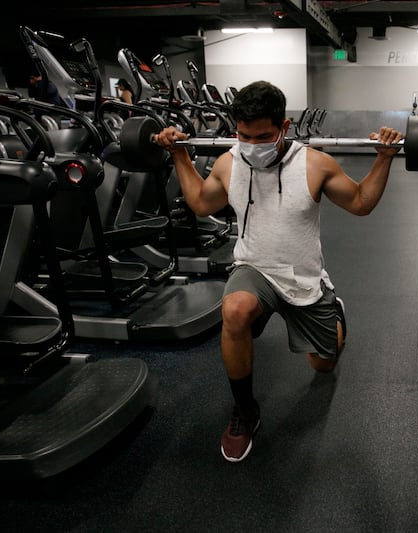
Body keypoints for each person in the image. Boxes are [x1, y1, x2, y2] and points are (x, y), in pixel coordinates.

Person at [152, 80, 404, 462]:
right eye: (243, 135)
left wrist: (384, 158)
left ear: (284, 127)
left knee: (323, 365)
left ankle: (334, 313)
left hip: (303, 277)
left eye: (263, 136)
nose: (252, 144)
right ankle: (245, 410)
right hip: (254, 267)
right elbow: (203, 203)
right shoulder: (228, 162)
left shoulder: (315, 164)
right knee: (233, 311)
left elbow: (360, 203)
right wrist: (179, 157)